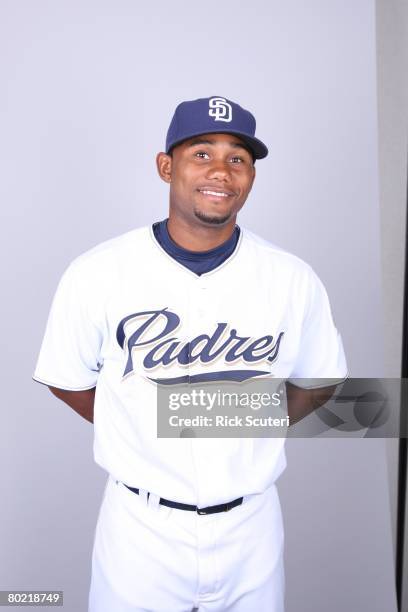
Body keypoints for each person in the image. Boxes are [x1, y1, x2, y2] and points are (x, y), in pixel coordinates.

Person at [33, 95, 347, 612]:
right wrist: (136, 421)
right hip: (141, 528)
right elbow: (66, 378)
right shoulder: (97, 271)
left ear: (250, 176)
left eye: (238, 159)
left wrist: (239, 420)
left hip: (252, 526)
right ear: (165, 166)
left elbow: (321, 380)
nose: (221, 171)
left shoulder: (292, 277)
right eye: (202, 153)